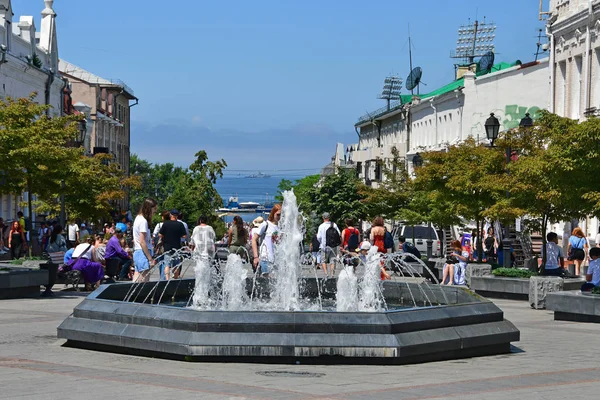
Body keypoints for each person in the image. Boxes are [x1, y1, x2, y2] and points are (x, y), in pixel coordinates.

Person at [252, 205, 282, 277]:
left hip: (276, 261)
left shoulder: (279, 227)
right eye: (278, 214)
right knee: (267, 283)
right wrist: (256, 257)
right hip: (265, 259)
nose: (279, 217)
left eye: (281, 215)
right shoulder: (265, 224)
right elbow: (254, 240)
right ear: (273, 213)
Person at [132, 198, 158, 282]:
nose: (155, 211)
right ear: (149, 208)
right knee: (143, 280)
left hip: (138, 251)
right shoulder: (143, 221)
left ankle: (131, 294)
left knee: (137, 276)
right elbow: (142, 241)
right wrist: (150, 258)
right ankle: (137, 295)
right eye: (154, 209)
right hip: (142, 252)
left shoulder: (138, 218)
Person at [159, 210, 188, 280]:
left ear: (170, 215)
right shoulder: (180, 224)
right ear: (177, 216)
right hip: (177, 247)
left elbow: (160, 234)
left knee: (167, 265)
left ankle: (167, 279)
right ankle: (175, 278)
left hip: (167, 247)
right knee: (176, 265)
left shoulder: (165, 224)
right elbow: (184, 236)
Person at [316, 211, 341, 278]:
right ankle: (332, 274)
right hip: (333, 246)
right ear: (329, 217)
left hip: (324, 246)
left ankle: (326, 274)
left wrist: (321, 242)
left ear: (323, 218)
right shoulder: (334, 225)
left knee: (323, 260)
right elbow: (339, 234)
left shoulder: (321, 226)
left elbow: (318, 237)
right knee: (332, 260)